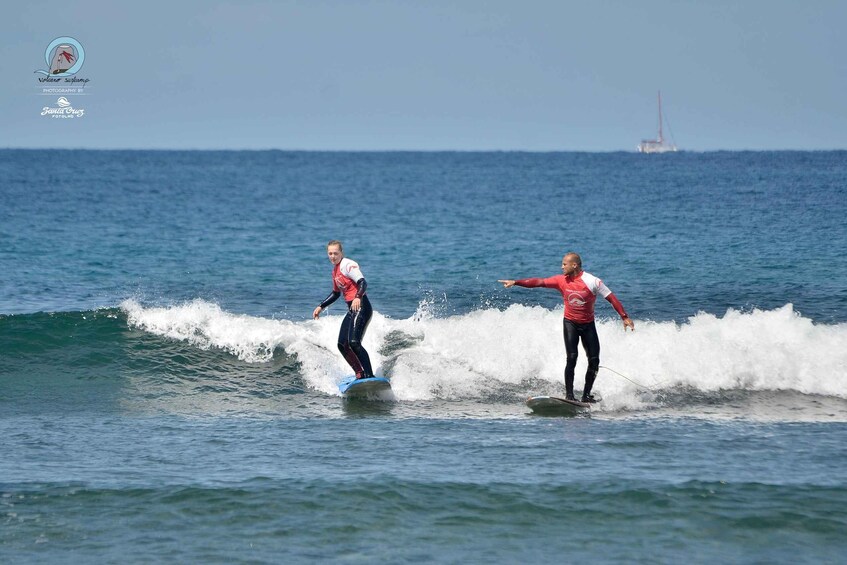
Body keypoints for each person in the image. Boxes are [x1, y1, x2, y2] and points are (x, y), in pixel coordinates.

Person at [499, 252, 634, 402]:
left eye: (564, 264)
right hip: (570, 323)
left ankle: (586, 396)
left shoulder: (593, 282)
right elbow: (538, 282)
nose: (561, 267)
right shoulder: (560, 280)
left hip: (588, 324)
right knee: (572, 358)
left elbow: (611, 298)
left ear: (574, 265)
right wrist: (516, 282)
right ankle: (569, 395)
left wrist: (624, 317)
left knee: (594, 360)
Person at [313, 240, 375, 379]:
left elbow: (362, 282)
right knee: (342, 344)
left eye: (336, 253)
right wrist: (321, 306)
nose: (333, 256)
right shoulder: (335, 271)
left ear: (341, 253)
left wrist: (358, 297)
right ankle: (360, 373)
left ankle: (370, 376)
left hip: (362, 306)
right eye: (330, 253)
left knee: (354, 342)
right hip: (352, 310)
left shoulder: (347, 265)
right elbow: (336, 293)